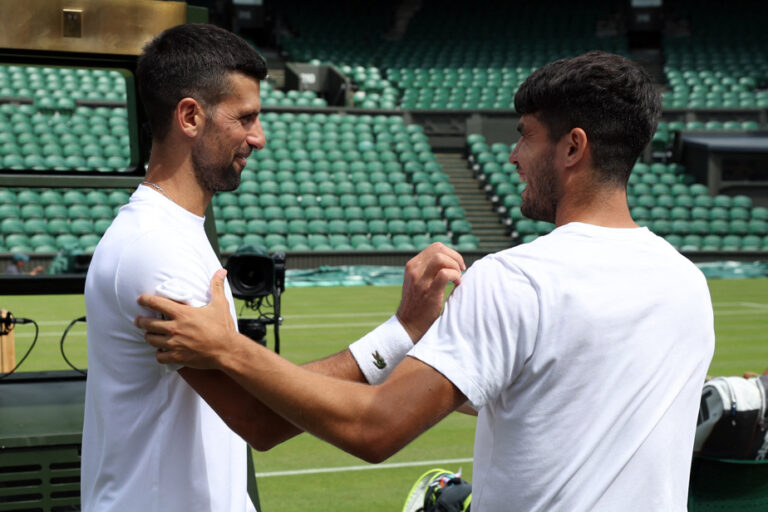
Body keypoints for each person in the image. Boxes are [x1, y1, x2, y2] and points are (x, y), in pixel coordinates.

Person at [137, 51, 716, 511]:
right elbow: (558, 398)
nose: (512, 155)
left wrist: (227, 348)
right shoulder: (688, 284)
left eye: (524, 135)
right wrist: (428, 347)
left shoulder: (516, 279)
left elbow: (376, 428)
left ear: (573, 147)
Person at [81, 23, 465, 511]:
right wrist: (401, 330)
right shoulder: (157, 251)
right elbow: (262, 419)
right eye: (245, 118)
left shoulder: (169, 232)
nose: (258, 138)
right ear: (190, 116)